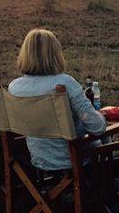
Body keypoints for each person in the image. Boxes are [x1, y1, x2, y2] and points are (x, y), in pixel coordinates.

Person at [7, 28, 107, 171]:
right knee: (105, 137)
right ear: (55, 54)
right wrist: (101, 116)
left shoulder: (15, 88)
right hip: (73, 157)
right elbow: (97, 127)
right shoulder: (65, 83)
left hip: (37, 156)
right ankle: (109, 183)